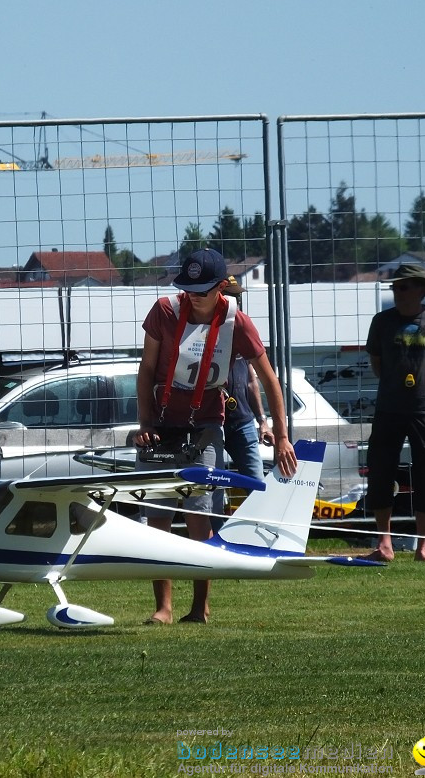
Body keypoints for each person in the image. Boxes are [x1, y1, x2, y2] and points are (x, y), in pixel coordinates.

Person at [134, 249, 297, 624]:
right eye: (188, 288)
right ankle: (163, 608)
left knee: (199, 517)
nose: (193, 295)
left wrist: (283, 435)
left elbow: (270, 380)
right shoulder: (164, 312)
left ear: (222, 286)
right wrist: (145, 423)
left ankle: (199, 607)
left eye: (203, 290)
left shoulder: (237, 323)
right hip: (159, 427)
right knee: (157, 517)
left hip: (205, 427)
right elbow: (145, 371)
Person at [364, 263, 425, 563]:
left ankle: (422, 547)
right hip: (389, 408)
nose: (397, 291)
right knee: (380, 471)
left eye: (403, 286)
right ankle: (385, 544)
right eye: (395, 287)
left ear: (420, 289)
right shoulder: (382, 322)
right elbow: (376, 362)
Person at [222, 276, 273, 482]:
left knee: (256, 484)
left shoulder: (243, 329)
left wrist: (262, 421)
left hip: (242, 421)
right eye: (231, 297)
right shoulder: (205, 329)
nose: (236, 302)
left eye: (237, 297)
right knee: (211, 487)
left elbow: (252, 380)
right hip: (212, 422)